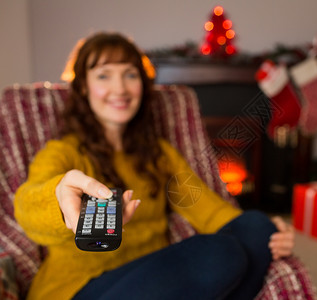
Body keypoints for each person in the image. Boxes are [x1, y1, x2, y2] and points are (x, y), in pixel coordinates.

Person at [14, 32, 295, 300]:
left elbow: (209, 211)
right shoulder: (63, 152)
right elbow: (28, 207)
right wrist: (61, 202)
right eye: (103, 75)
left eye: (130, 74)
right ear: (84, 87)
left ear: (143, 85)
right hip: (79, 289)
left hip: (156, 281)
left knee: (257, 228)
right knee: (217, 254)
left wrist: (272, 232)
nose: (120, 88)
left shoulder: (158, 154)